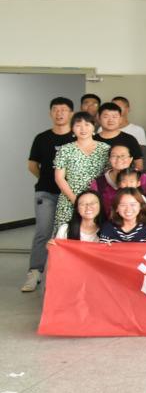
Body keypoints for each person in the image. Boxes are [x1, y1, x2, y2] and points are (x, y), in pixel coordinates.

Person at [26, 95, 78, 289]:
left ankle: (67, 275)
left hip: (71, 195)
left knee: (70, 233)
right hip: (46, 193)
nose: (59, 113)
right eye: (55, 109)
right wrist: (47, 179)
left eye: (63, 110)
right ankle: (34, 273)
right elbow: (32, 165)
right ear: (50, 113)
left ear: (71, 113)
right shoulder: (42, 138)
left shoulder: (77, 137)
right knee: (43, 232)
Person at [53, 111, 110, 229]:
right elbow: (59, 178)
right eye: (78, 125)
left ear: (94, 127)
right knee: (66, 233)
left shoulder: (105, 148)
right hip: (70, 199)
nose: (83, 129)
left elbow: (109, 175)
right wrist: (76, 201)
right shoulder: (65, 149)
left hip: (96, 201)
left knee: (95, 233)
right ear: (72, 128)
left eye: (87, 124)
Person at [89, 144, 146, 218]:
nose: (119, 159)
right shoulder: (98, 183)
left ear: (130, 159)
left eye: (123, 156)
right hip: (106, 222)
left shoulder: (142, 178)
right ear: (109, 159)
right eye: (114, 156)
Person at [94, 102, 143, 171]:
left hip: (123, 177)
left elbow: (138, 165)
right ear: (99, 118)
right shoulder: (92, 140)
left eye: (114, 117)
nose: (110, 120)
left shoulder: (130, 139)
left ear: (120, 119)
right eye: (106, 117)